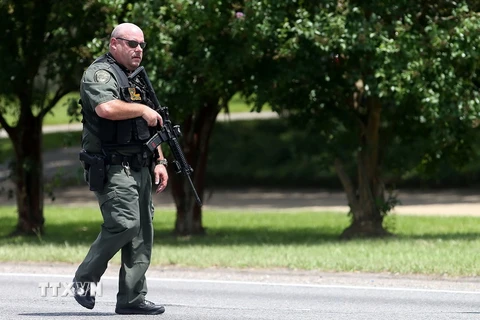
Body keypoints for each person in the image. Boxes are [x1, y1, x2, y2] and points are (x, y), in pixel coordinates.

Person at [73, 22, 168, 315]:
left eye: (141, 45)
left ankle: (132, 298)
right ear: (114, 44)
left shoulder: (136, 79)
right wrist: (142, 109)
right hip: (114, 167)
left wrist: (161, 160)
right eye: (132, 44)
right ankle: (84, 280)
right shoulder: (100, 74)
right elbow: (106, 109)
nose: (138, 50)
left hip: (140, 165)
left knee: (142, 232)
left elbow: (150, 125)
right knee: (124, 225)